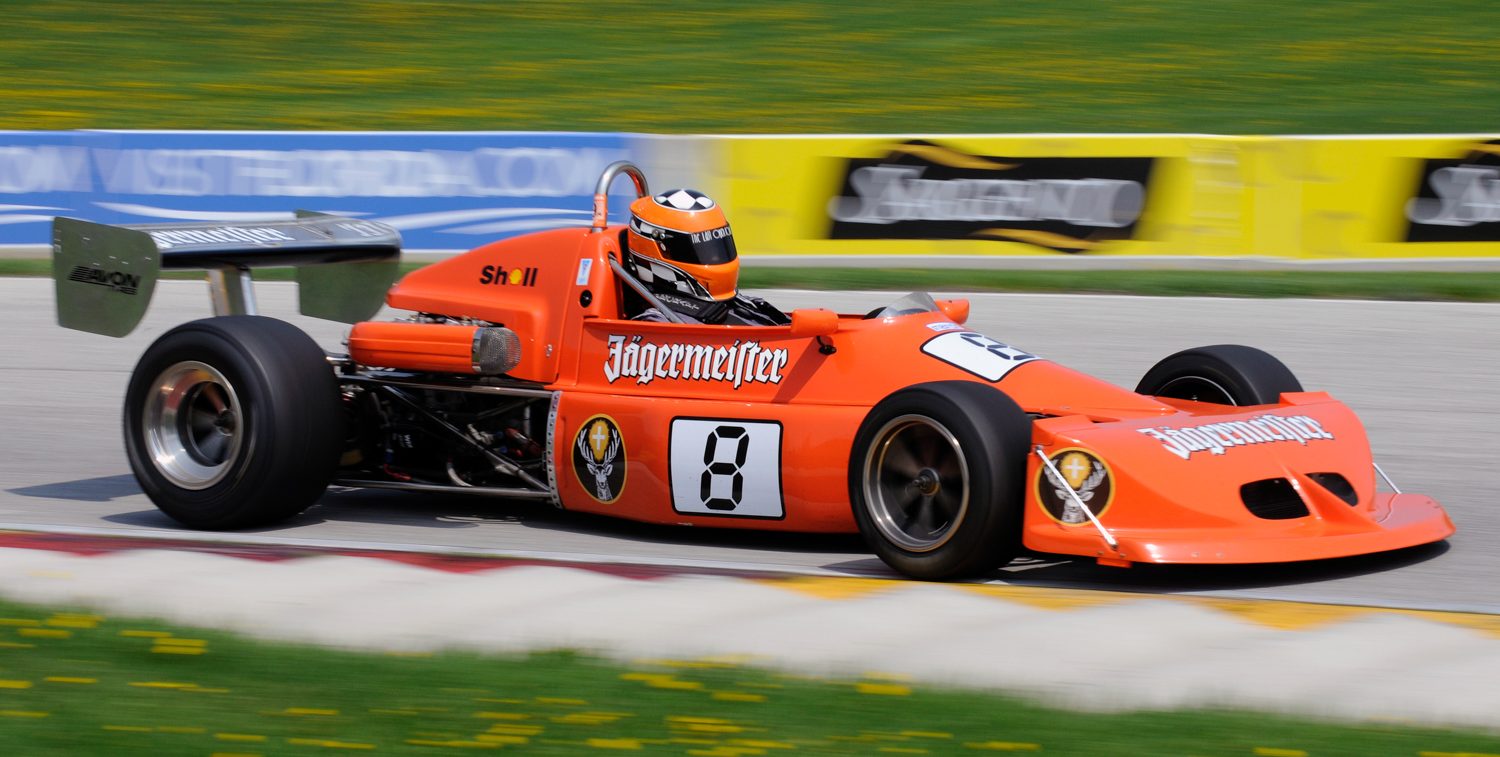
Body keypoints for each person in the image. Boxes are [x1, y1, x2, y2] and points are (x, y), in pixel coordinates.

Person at [622, 188, 788, 326]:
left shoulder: (744, 306)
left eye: (717, 245)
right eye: (701, 249)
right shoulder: (657, 324)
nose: (715, 256)